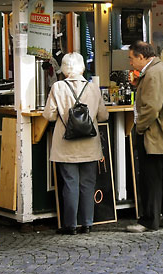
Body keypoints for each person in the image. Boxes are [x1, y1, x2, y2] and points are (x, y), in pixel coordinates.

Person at [43, 52, 109, 235]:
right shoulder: (93, 88)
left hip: (66, 145)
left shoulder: (57, 87)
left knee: (70, 184)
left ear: (64, 68)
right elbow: (104, 115)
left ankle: (70, 225)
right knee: (88, 184)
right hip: (89, 144)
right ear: (81, 67)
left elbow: (49, 115)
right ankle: (87, 223)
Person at [126, 40, 163, 233]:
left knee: (150, 178)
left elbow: (151, 107)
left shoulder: (152, 73)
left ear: (141, 57)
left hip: (154, 135)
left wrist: (139, 128)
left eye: (132, 58)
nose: (130, 63)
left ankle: (149, 220)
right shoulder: (161, 69)